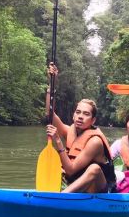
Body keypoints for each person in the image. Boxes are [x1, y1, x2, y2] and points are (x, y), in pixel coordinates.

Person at [45, 63, 116, 193]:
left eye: (86, 114)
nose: (80, 116)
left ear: (93, 120)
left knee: (94, 168)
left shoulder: (95, 141)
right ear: (73, 115)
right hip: (76, 185)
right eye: (78, 112)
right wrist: (52, 83)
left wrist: (59, 142)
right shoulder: (69, 131)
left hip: (100, 190)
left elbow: (71, 169)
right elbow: (50, 113)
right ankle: (57, 195)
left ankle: (61, 198)